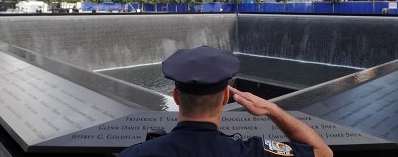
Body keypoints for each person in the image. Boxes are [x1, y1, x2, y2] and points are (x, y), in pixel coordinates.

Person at [118, 46, 333, 157]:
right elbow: (323, 152)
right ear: (225, 98)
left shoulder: (134, 154)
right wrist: (271, 109)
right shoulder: (252, 152)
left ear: (176, 97)